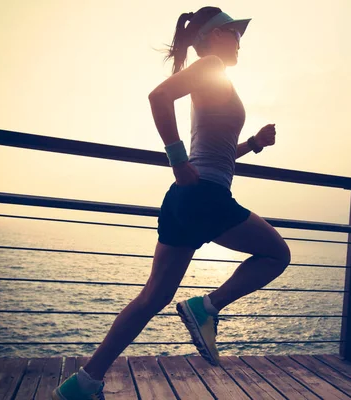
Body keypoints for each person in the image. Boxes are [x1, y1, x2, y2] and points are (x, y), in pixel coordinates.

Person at [53, 6, 291, 399]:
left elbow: (218, 152)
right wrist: (178, 161)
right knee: (277, 255)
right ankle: (207, 307)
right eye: (235, 33)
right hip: (205, 195)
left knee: (153, 297)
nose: (239, 42)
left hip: (186, 198)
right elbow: (159, 97)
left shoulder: (217, 78)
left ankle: (83, 383)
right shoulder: (211, 65)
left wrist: (254, 144)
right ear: (215, 36)